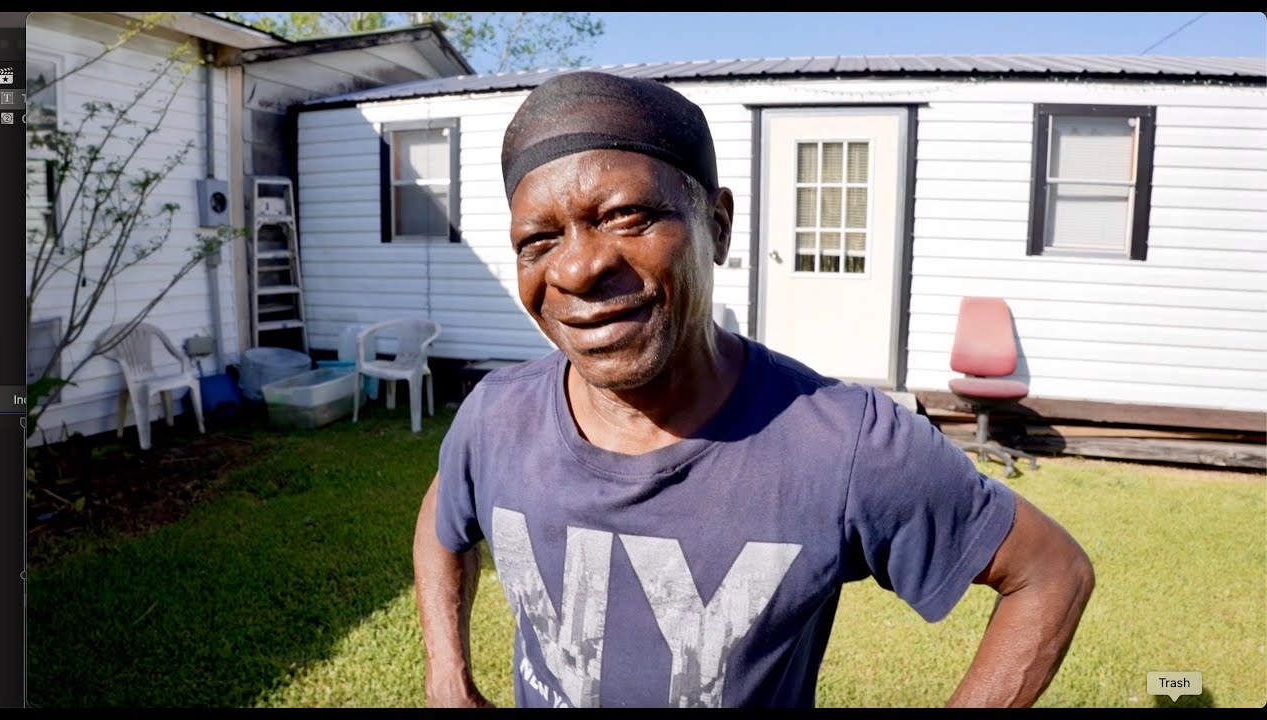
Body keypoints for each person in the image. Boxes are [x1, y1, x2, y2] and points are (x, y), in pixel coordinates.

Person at [412, 71, 1095, 709]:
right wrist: (448, 675)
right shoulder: (495, 416)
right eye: (538, 239)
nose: (580, 266)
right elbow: (446, 510)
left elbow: (1050, 573)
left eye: (626, 215)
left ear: (717, 225)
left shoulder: (841, 443)